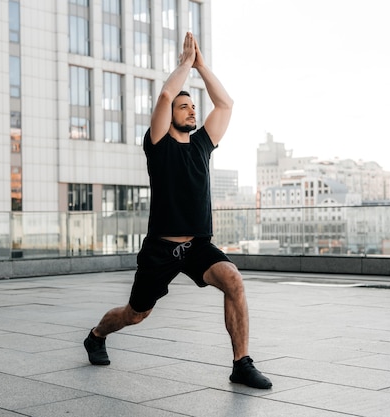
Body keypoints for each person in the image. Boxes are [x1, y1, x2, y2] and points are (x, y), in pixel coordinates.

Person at [84, 32, 272, 390]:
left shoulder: (202, 143)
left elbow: (226, 104)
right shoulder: (157, 144)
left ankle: (241, 364)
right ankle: (96, 335)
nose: (191, 110)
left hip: (197, 246)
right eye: (184, 107)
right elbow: (167, 94)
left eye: (192, 107)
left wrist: (201, 66)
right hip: (161, 249)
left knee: (234, 280)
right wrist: (184, 64)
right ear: (169, 116)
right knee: (135, 314)